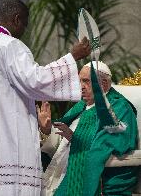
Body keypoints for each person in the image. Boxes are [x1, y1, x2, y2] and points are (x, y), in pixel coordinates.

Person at [0, 0, 91, 196]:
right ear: (17, 19)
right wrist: (72, 57)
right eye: (25, 24)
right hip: (7, 133)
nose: (24, 31)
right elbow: (36, 81)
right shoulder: (10, 46)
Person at [38, 61, 138, 196]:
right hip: (60, 173)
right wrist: (46, 130)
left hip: (93, 178)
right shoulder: (80, 107)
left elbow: (113, 143)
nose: (81, 87)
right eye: (79, 81)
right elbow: (62, 144)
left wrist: (76, 139)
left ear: (104, 84)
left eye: (86, 81)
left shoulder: (118, 108)